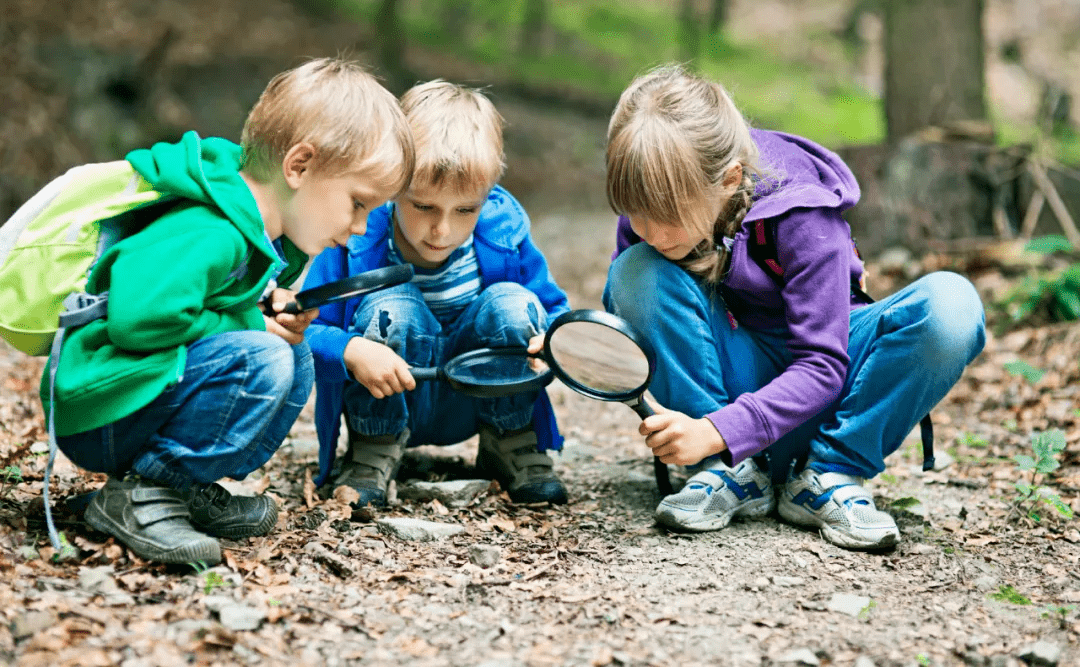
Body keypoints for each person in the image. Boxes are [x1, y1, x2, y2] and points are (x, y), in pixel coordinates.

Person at [45, 58, 415, 565]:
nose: (360, 227)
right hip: (102, 408)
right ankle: (142, 493)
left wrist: (261, 308)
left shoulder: (250, 232)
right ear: (299, 166)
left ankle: (179, 486)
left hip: (134, 398)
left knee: (294, 356)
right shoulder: (211, 230)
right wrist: (250, 322)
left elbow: (207, 307)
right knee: (264, 357)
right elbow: (139, 320)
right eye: (358, 203)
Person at [602, 64, 985, 550]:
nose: (651, 232)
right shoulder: (653, 216)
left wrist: (719, 430)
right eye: (636, 213)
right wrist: (574, 347)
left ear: (729, 179)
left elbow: (823, 366)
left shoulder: (803, 215)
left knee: (952, 305)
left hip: (828, 399)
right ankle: (728, 474)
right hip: (726, 404)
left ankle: (829, 475)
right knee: (635, 270)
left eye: (668, 217)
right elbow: (638, 326)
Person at [305, 80, 571, 508]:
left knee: (513, 303)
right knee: (393, 305)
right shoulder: (356, 238)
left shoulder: (503, 235)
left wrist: (552, 342)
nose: (442, 230)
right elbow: (306, 330)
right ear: (394, 185)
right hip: (389, 393)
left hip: (475, 396)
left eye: (465, 209)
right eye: (424, 206)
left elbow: (555, 313)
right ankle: (374, 449)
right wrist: (351, 350)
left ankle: (509, 440)